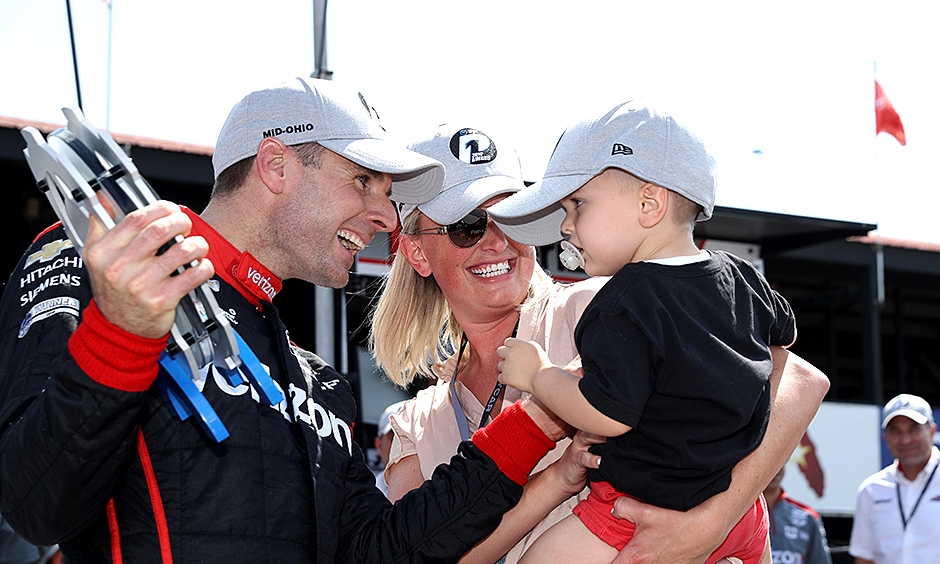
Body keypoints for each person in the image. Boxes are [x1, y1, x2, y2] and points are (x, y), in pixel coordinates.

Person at [0, 77, 582, 564]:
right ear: (276, 165)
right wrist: (123, 332)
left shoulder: (320, 386)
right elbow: (34, 503)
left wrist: (534, 421)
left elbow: (381, 552)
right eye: (363, 181)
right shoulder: (101, 262)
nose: (384, 216)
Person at [370, 120, 828, 564]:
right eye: (467, 224)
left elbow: (801, 382)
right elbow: (422, 553)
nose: (497, 241)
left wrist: (711, 522)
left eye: (512, 217)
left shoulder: (607, 301)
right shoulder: (415, 424)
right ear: (415, 251)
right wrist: (556, 480)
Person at [492, 100, 797, 564]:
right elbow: (784, 337)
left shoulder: (625, 299)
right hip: (744, 515)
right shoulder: (740, 276)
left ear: (649, 204)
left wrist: (538, 375)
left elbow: (608, 412)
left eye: (578, 204)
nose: (566, 225)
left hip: (637, 513)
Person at [848, 393, 940, 564]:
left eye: (914, 429)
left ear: (932, 431)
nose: (905, 440)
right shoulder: (871, 489)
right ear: (886, 438)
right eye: (895, 431)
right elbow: (864, 558)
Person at [762, 465, 832, 564]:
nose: (776, 467)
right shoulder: (739, 514)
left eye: (782, 459)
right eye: (769, 460)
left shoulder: (808, 517)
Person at [373, 400, 408, 496]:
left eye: (409, 437)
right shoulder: (362, 498)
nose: (402, 444)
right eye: (394, 437)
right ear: (378, 445)